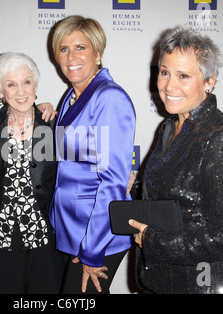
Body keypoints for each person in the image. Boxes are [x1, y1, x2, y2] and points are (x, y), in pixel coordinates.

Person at [129, 26, 223, 294]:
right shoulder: (169, 127)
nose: (169, 85)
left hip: (204, 284)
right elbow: (175, 197)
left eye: (183, 76)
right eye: (164, 72)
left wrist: (153, 241)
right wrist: (137, 187)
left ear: (210, 81)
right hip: (166, 280)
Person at [49, 15, 136, 294]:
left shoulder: (109, 97)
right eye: (63, 49)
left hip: (98, 232)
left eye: (80, 48)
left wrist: (92, 251)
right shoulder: (70, 97)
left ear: (97, 53)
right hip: (71, 228)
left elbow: (113, 182)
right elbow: (68, 162)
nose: (71, 56)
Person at [0, 52, 64, 293]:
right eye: (11, 85)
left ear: (36, 85)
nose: (21, 92)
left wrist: (124, 173)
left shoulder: (54, 125)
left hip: (43, 236)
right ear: (0, 92)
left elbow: (84, 164)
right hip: (0, 237)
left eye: (26, 82)